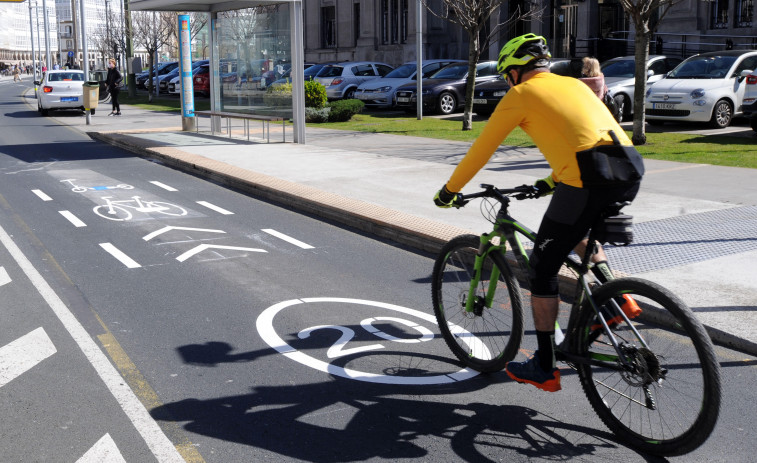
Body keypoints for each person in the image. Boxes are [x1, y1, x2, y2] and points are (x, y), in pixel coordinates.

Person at [433, 34, 644, 393]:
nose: (507, 82)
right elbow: (585, 137)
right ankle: (615, 297)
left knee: (543, 269)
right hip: (627, 169)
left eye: (506, 76)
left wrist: (449, 190)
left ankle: (545, 365)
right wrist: (550, 181)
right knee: (577, 232)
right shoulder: (573, 85)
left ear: (514, 72)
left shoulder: (520, 95)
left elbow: (480, 151)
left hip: (586, 179)